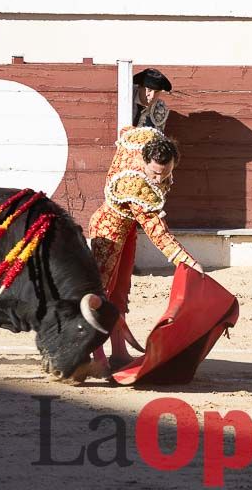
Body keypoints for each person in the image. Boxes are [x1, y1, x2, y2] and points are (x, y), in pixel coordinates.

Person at [86, 129, 202, 375]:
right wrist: (187, 260)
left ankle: (118, 351)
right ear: (145, 161)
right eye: (155, 173)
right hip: (108, 230)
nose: (159, 179)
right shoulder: (136, 186)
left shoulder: (147, 140)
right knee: (101, 293)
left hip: (126, 229)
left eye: (166, 172)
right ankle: (95, 355)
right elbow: (158, 232)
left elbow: (128, 130)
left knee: (120, 290)